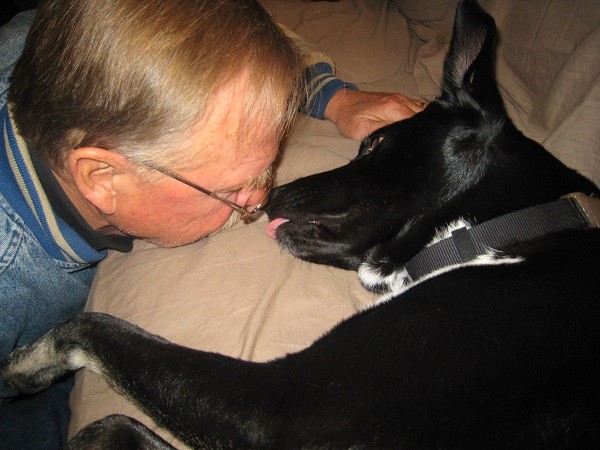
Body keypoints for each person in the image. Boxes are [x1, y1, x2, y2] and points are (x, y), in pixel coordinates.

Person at [0, 0, 425, 448]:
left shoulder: (66, 38)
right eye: (231, 190)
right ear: (103, 179)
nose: (260, 201)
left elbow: (228, 37)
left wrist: (337, 97)